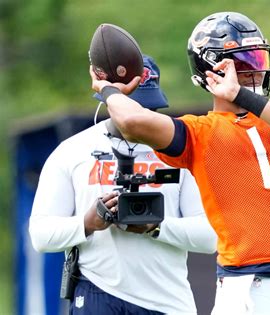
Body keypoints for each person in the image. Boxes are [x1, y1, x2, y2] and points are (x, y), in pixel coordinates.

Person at [90, 12, 270, 315]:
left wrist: (241, 95)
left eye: (258, 61)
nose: (256, 72)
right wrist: (108, 90)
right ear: (212, 71)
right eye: (245, 64)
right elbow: (131, 121)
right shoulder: (200, 132)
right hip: (246, 286)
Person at [29, 55, 217, 315]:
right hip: (97, 291)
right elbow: (40, 235)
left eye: (146, 109)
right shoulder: (72, 151)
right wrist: (87, 222)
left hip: (167, 302)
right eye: (130, 107)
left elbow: (211, 237)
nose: (138, 118)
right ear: (111, 103)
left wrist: (156, 226)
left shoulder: (183, 151)